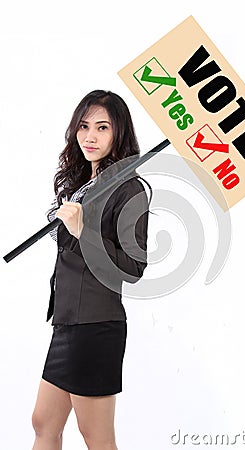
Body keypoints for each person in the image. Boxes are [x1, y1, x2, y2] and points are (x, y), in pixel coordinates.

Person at [31, 90, 152, 450]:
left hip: (95, 326)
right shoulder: (84, 184)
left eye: (102, 127)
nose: (90, 136)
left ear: (119, 133)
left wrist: (85, 232)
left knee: (96, 437)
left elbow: (133, 268)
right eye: (84, 126)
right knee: (43, 423)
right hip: (67, 321)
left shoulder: (130, 189)